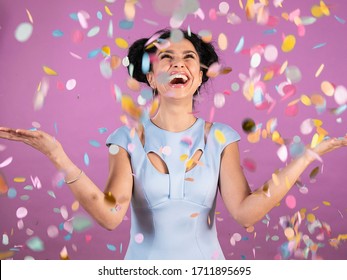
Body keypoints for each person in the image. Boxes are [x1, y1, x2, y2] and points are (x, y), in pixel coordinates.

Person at [0, 28, 346, 260]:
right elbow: (109, 216)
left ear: (199, 76)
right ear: (150, 76)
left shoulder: (221, 138)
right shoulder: (127, 140)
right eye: (165, 57)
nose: (178, 62)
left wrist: (305, 157)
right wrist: (57, 155)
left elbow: (245, 212)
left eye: (189, 57)